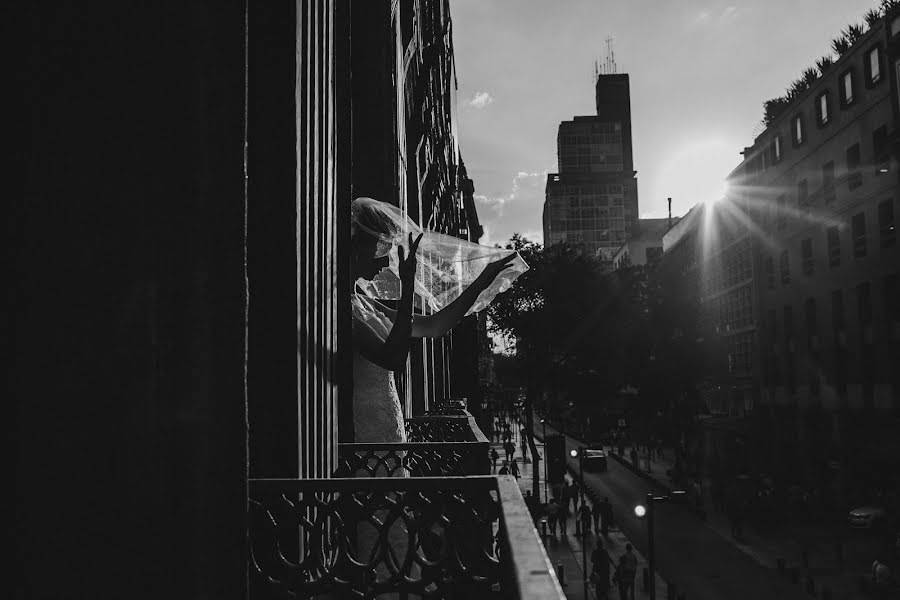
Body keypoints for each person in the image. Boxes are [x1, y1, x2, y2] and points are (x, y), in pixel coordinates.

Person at [350, 197, 526, 444]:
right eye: (379, 249)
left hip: (387, 421)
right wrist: (408, 285)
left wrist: (481, 282)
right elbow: (393, 358)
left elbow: (434, 326)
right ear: (357, 249)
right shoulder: (342, 311)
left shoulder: (362, 302)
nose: (384, 261)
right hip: (365, 431)